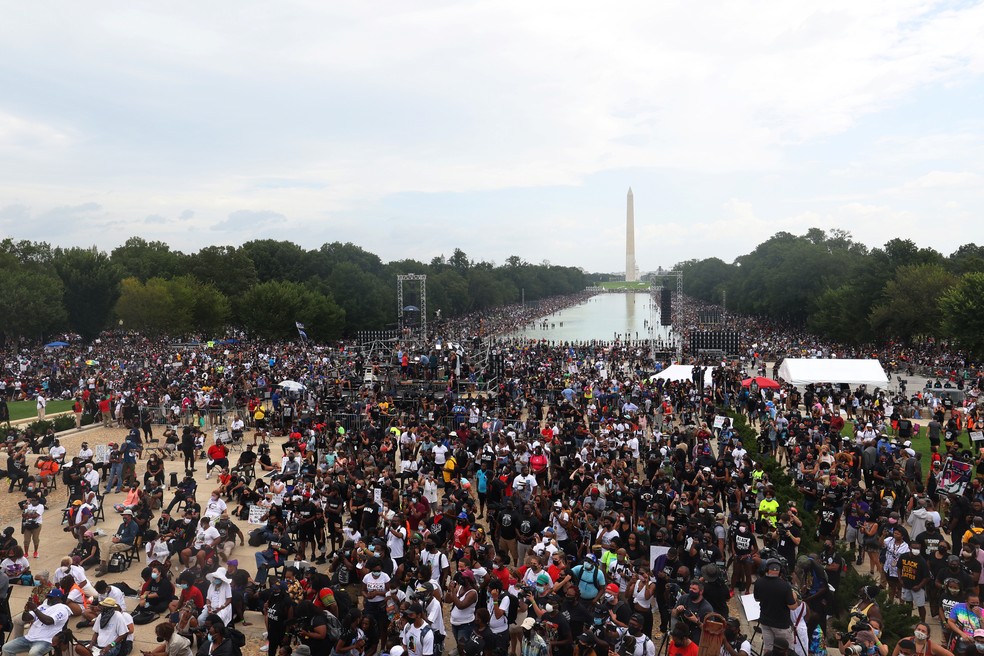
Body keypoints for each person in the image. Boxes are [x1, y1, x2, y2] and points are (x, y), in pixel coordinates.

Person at [2, 588, 72, 656]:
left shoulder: (62, 609)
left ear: (58, 598)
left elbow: (48, 621)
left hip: (45, 640)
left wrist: (35, 609)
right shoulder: (44, 606)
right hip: (28, 638)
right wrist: (26, 610)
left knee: (33, 653)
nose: (49, 599)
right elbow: (25, 618)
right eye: (48, 597)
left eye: (51, 598)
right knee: (6, 648)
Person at [753, 559, 798, 656]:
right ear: (780, 571)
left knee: (768, 649)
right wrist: (795, 598)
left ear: (766, 569)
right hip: (781, 625)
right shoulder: (785, 586)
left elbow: (757, 599)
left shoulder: (759, 582)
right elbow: (793, 607)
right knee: (786, 651)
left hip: (765, 622)